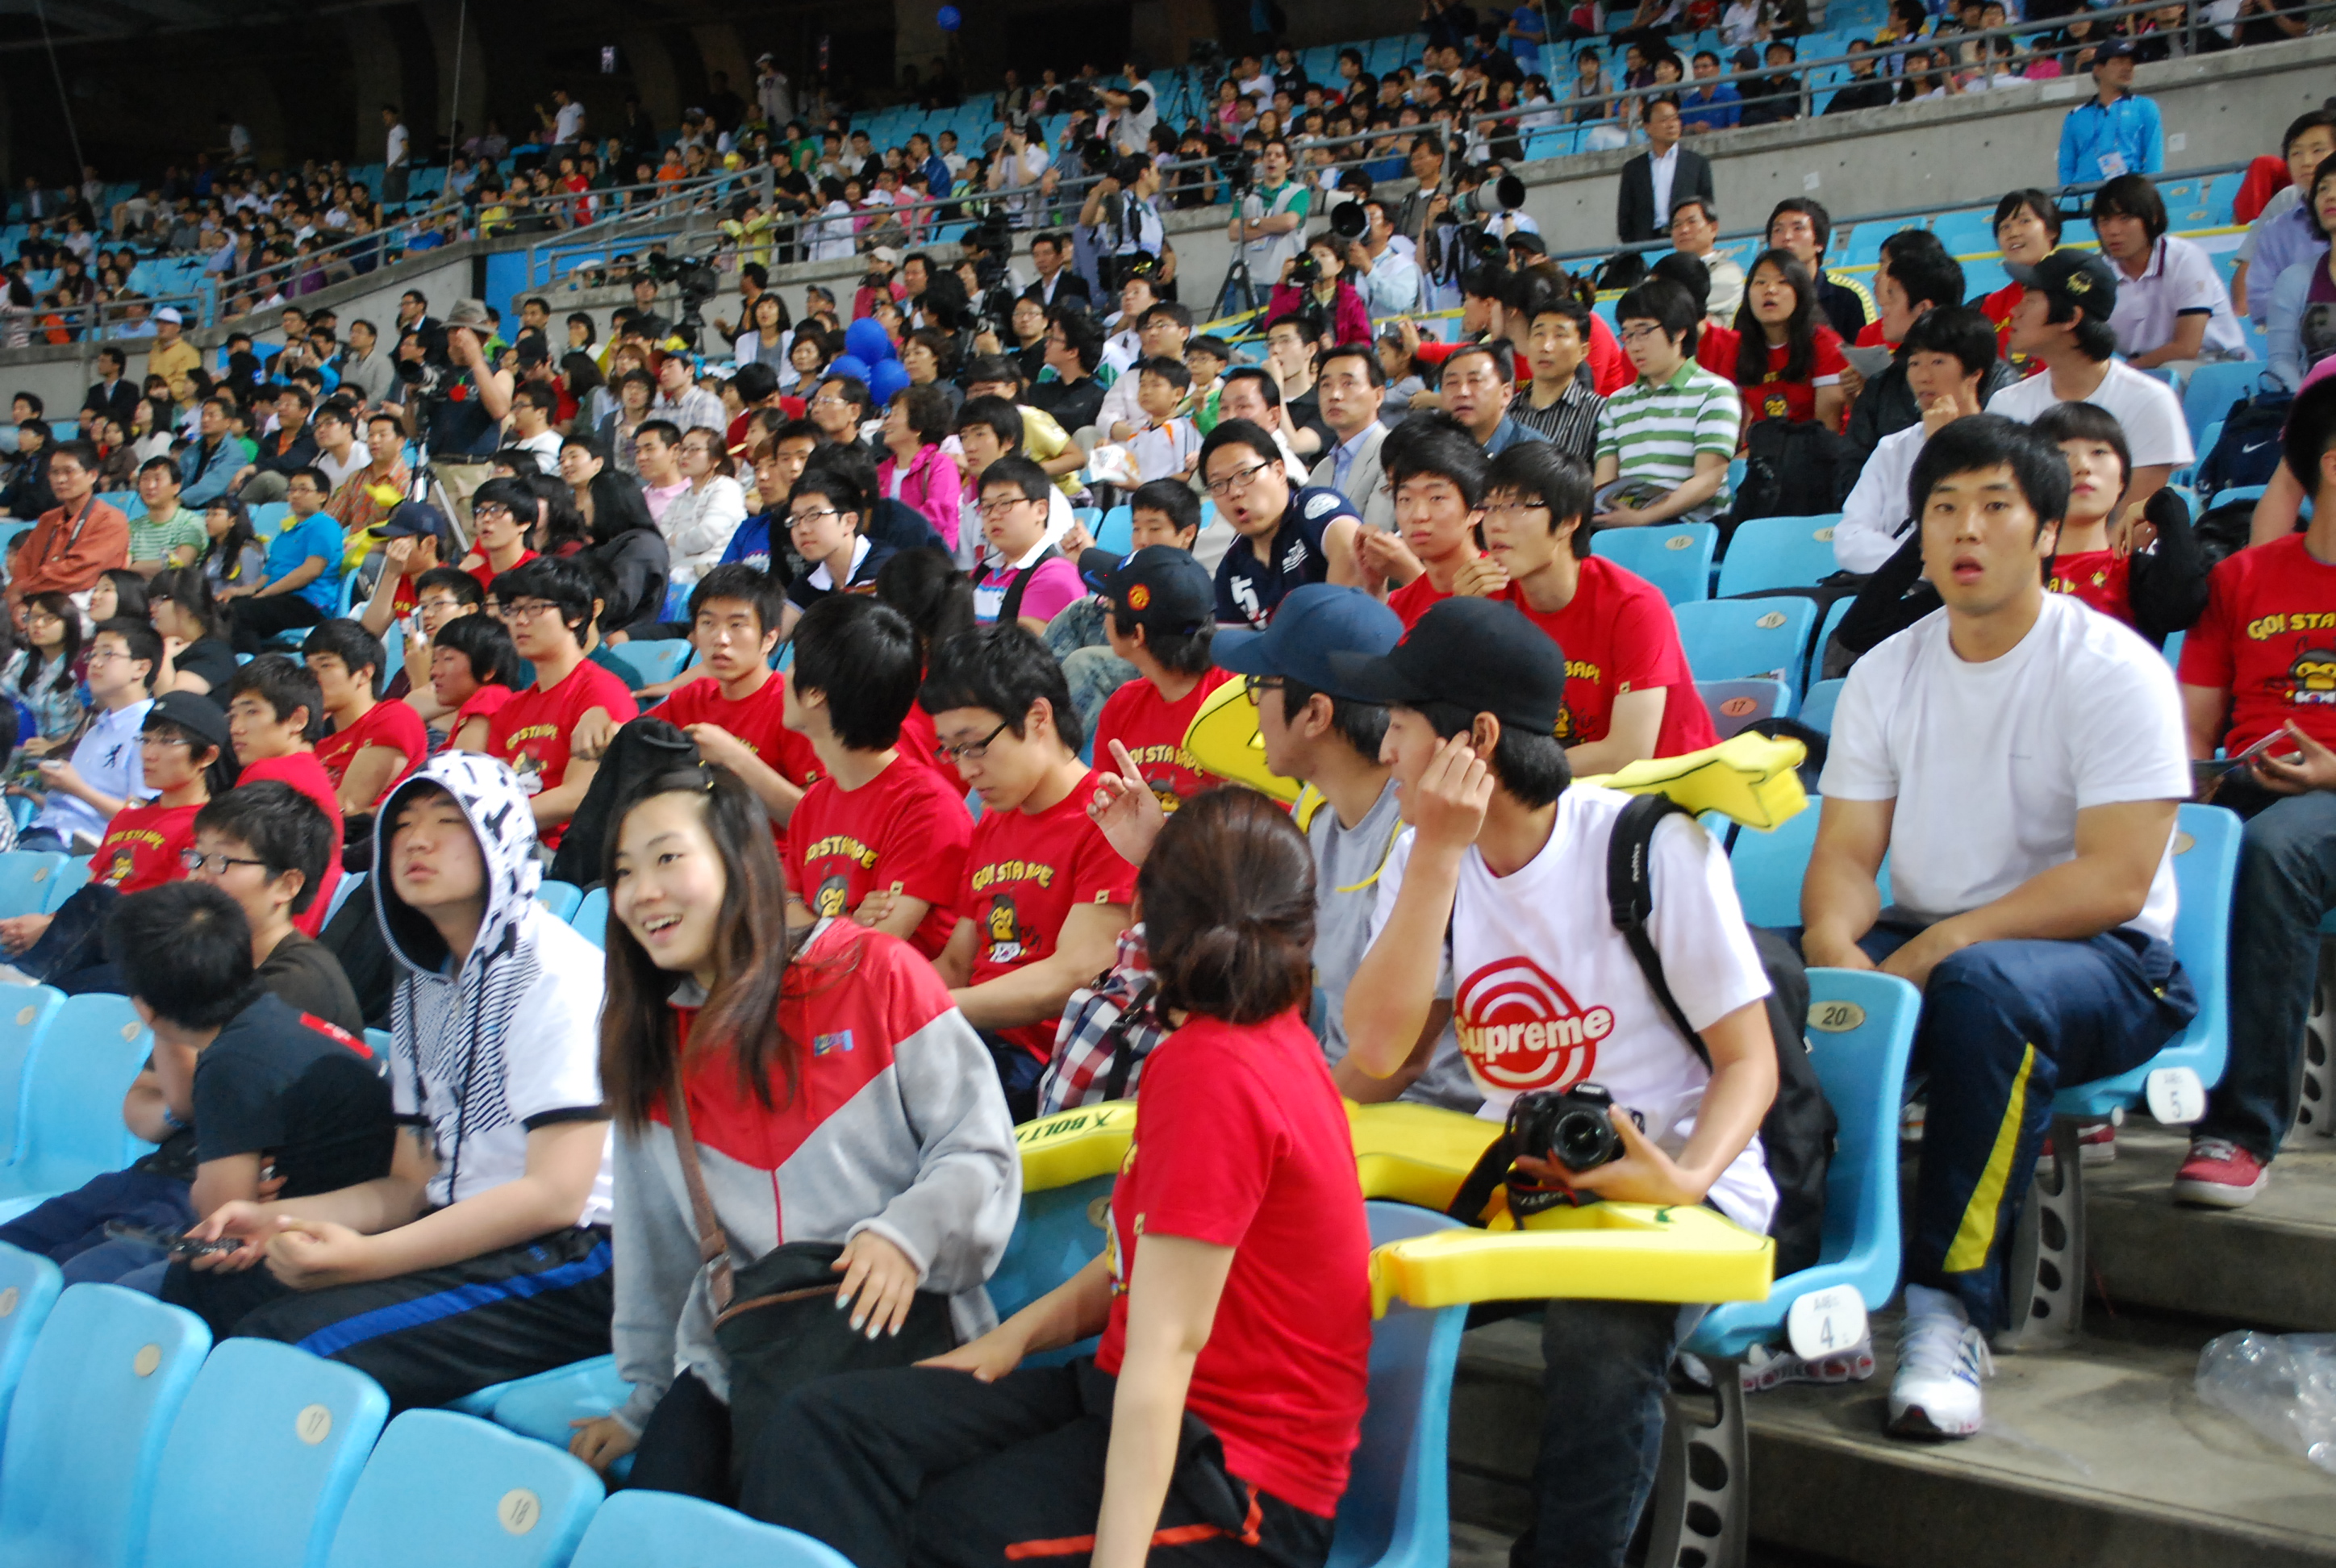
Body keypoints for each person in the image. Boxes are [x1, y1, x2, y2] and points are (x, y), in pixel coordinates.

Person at [740, 787, 1370, 1568]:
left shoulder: (1213, 1071)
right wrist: (1011, 1340)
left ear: (1145, 923)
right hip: (1122, 1394)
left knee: (932, 1528)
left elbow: (1166, 1351)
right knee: (824, 1429)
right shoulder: (1259, 1033)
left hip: (1240, 1480)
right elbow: (1146, 1265)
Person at [1338, 594, 1775, 1568]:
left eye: (1401, 725)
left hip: (1667, 1184)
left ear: (1475, 740)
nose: (1386, 749)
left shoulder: (1646, 846)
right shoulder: (1422, 854)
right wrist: (1437, 857)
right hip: (1517, 1177)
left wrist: (1684, 1178)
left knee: (1599, 1336)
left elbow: (1749, 1061)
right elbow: (1380, 1053)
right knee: (1326, 1268)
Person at [1800, 414, 2195, 1438]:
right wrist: (1835, 954)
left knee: (1984, 989)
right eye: (1942, 509)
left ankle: (1948, 1312)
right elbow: (1844, 857)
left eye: (1993, 507)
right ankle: (1796, 1285)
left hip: (2109, 965)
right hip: (1928, 936)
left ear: (2047, 532)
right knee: (1763, 981)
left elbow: (2115, 880)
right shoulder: (1885, 672)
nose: (1964, 530)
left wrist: (1938, 948)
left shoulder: (2111, 668)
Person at [562, 755, 1015, 1497]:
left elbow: (981, 1153)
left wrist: (905, 1236)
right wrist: (648, 1404)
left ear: (741, 863)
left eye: (668, 859)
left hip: (900, 1337)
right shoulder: (651, 1044)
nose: (642, 893)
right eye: (622, 873)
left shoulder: (874, 974)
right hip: (743, 1354)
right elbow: (655, 1252)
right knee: (655, 1516)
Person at [173, 754, 615, 1411]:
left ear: (503, 839)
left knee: (288, 1344)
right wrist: (276, 1220)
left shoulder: (556, 975)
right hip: (460, 1226)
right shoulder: (421, 987)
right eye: (402, 824)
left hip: (579, 1254)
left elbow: (553, 1196)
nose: (416, 841)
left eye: (447, 821)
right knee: (204, 1284)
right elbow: (409, 1186)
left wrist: (365, 1260)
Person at [0, 881, 388, 1294]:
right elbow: (175, 1118)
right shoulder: (262, 1015)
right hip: (173, 1179)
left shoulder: (233, 1061)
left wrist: (218, 1182)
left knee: (62, 1291)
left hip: (276, 1246)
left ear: (144, 1006)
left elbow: (221, 1218)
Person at [2167, 375, 2336, 1205]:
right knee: (2140, 838)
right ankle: (2110, 1078)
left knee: (2273, 852)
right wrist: (2186, 793)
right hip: (2248, 779)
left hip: (2327, 796)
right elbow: (2195, 723)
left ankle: (2241, 1128)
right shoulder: (2243, 578)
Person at [924, 624, 1137, 1118]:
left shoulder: (1110, 817)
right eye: (950, 750)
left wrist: (927, 1011)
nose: (964, 770)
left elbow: (1075, 975)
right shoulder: (994, 821)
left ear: (1038, 717)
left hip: (1043, 1066)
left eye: (974, 745)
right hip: (971, 1040)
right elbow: (956, 963)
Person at [778, 595, 975, 957]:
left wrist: (811, 925)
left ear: (816, 694)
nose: (783, 676)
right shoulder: (815, 801)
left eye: (793, 664)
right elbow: (784, 910)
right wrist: (844, 926)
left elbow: (872, 951)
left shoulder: (927, 808)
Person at [1986, 248, 2193, 511]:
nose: (2014, 311)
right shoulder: (2006, 404)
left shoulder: (2148, 400)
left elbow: (2134, 519)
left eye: (2030, 300)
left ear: (2071, 318)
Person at [646, 565, 819, 832]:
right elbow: (631, 737)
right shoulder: (693, 695)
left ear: (769, 638)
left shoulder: (796, 707)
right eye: (708, 623)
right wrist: (599, 719)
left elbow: (816, 821)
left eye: (737, 625)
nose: (721, 639)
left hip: (767, 853)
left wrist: (735, 758)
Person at [486, 556, 641, 846]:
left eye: (536, 608)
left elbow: (577, 795)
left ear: (576, 616)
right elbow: (494, 785)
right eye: (513, 609)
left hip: (564, 849)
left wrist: (492, 822)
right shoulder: (511, 707)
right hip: (513, 841)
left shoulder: (600, 692)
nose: (520, 620)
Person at [1836, 307, 2000, 573]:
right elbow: (1849, 538)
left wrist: (1940, 447)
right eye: (1914, 364)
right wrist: (1923, 566)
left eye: (1938, 362)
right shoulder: (1893, 448)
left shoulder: (2003, 446)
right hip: (1899, 581)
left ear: (1974, 374)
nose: (1923, 377)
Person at [2034, 401, 2208, 640]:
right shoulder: (2015, 568)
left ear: (2122, 480)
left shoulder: (2133, 573)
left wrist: (2166, 505)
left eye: (2099, 452)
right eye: (2062, 454)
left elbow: (2181, 607)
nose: (2082, 466)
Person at [1088, 548, 1234, 813]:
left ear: (1137, 635)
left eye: (1107, 606)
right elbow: (1107, 810)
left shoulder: (1239, 703)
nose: (1104, 617)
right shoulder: (1121, 706)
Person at [1592, 277, 1741, 528]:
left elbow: (1708, 482)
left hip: (1690, 527)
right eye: (1627, 335)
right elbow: (1604, 483)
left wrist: (1643, 518)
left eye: (1644, 332)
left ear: (1680, 331)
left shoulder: (1715, 392)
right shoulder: (1616, 404)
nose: (1634, 346)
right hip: (1627, 522)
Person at [1203, 419, 1368, 632]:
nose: (1234, 492)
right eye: (1218, 484)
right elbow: (1233, 645)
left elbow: (1352, 553)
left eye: (1245, 474)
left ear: (1279, 471)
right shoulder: (1232, 566)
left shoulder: (1315, 508)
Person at [222, 656, 345, 936]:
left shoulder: (268, 773)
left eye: (251, 712)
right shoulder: (311, 772)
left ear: (297, 719)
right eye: (233, 716)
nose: (236, 728)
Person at [18, 618, 157, 855]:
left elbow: (142, 815)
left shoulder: (150, 731)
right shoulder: (97, 728)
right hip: (46, 833)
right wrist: (30, 794)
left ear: (141, 668)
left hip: (83, 849)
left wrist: (76, 788)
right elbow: (72, 805)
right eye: (93, 654)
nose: (95, 663)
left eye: (108, 654)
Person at [2087, 174, 2251, 370]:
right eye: (2104, 221)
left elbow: (2187, 348)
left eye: (2125, 218)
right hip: (2144, 367)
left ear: (2153, 218)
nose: (2113, 231)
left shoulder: (2185, 258)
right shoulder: (2097, 273)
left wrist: (2124, 373)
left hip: (2215, 362)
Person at [306, 619, 428, 819]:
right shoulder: (321, 747)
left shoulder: (394, 716)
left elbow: (348, 805)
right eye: (309, 669)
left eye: (325, 665)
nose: (312, 678)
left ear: (364, 673)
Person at [6, 442, 129, 624]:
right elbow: (24, 563)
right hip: (38, 605)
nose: (60, 480)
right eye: (54, 472)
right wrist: (19, 602)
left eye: (68, 472)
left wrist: (24, 588)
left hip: (86, 612)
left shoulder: (110, 520)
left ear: (92, 475)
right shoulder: (47, 520)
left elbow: (78, 572)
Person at [227, 467, 345, 653]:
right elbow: (261, 582)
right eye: (292, 490)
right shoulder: (285, 534)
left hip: (308, 603)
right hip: (278, 598)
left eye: (303, 489)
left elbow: (311, 571)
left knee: (241, 613)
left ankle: (253, 665)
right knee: (221, 610)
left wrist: (266, 593)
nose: (295, 495)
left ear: (322, 496)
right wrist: (235, 592)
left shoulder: (325, 525)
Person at [1732, 248, 1850, 431]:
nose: (1770, 290)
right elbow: (1737, 423)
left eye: (1783, 282)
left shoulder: (1825, 344)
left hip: (1814, 443)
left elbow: (1827, 430)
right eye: (1760, 282)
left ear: (1800, 292)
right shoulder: (1738, 347)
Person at [970, 457, 1087, 635]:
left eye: (1005, 503)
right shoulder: (984, 570)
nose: (993, 515)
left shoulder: (1055, 575)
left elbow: (1023, 651)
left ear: (1041, 510)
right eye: (986, 506)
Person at [2265, 155, 2336, 392]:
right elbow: (2281, 362)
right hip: (2318, 405)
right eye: (2323, 188)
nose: (2330, 195)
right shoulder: (2295, 279)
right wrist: (2307, 402)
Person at [1307, 344, 1395, 532]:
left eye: (1348, 384)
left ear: (1379, 395)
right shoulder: (1321, 470)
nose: (1334, 395)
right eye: (1326, 385)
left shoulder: (1394, 453)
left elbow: (1378, 532)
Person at [1765, 198, 1874, 343]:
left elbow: (1867, 352)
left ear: (1819, 243)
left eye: (1798, 228)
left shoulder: (1848, 296)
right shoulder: (1758, 297)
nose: (1787, 237)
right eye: (1778, 230)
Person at [2057, 40, 2162, 189]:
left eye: (2131, 63)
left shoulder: (2145, 107)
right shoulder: (2075, 117)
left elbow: (2154, 160)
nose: (2127, 68)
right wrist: (2067, 198)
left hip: (2128, 191)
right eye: (2119, 62)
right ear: (2098, 70)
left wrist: (2148, 195)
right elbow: (2066, 167)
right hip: (2085, 195)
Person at [1616, 98, 1714, 245]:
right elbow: (1625, 217)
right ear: (1647, 127)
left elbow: (1707, 209)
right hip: (1646, 244)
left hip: (1686, 241)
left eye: (1675, 119)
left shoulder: (1697, 163)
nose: (1672, 125)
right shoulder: (1633, 169)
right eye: (1664, 120)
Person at [1440, 341, 1557, 458]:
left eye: (1475, 381)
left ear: (1506, 394)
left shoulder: (1535, 453)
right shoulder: (1434, 446)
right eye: (1452, 383)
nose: (1462, 392)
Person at [1, 592, 87, 749]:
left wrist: (53, 746)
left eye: (49, 619)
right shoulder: (24, 662)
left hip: (65, 752)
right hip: (25, 748)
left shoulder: (81, 668)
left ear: (69, 623)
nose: (38, 624)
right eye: (33, 617)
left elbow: (88, 726)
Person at [127, 456, 207, 578]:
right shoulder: (133, 527)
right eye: (145, 479)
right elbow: (124, 566)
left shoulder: (191, 522)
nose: (150, 486)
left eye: (157, 479)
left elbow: (181, 564)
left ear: (176, 487)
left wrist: (135, 567)